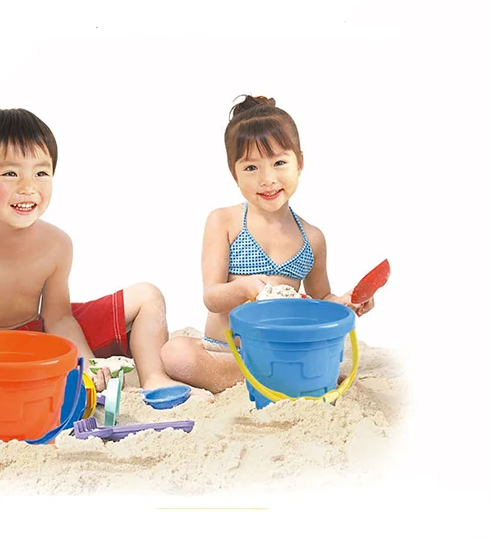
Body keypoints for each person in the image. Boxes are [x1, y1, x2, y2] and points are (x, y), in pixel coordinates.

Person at [0, 108, 210, 432]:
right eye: (10, 174)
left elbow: (59, 318)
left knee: (147, 295)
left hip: (41, 334)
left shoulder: (56, 243)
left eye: (41, 172)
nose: (28, 186)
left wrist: (86, 363)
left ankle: (154, 379)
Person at [159, 95, 376, 394]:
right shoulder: (225, 222)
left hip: (281, 350)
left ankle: (275, 374)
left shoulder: (311, 238)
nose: (267, 179)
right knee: (175, 353)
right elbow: (211, 297)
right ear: (234, 173)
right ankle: (278, 377)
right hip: (225, 349)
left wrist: (347, 301)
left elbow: (320, 301)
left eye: (279, 163)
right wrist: (244, 288)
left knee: (310, 348)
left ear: (300, 163)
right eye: (251, 168)